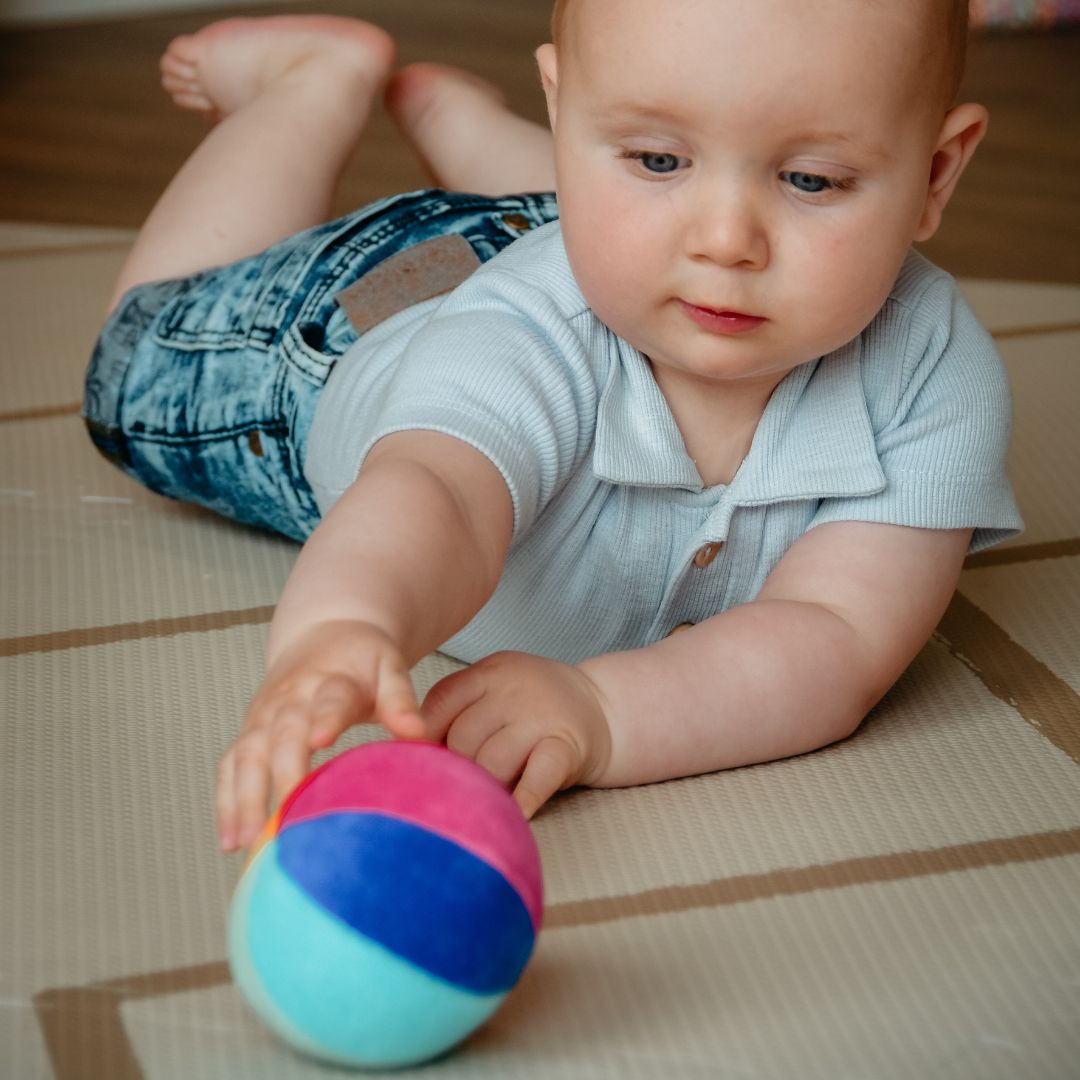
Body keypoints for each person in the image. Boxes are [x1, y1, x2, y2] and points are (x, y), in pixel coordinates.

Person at [83, 0, 1022, 853]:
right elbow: (439, 492)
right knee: (130, 366)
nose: (728, 239)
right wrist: (343, 625)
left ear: (937, 172)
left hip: (594, 244)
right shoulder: (524, 336)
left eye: (811, 180)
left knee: (626, 226)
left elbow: (837, 634)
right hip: (346, 323)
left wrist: (601, 708)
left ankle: (480, 133)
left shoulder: (932, 369)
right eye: (658, 157)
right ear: (565, 111)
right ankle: (306, 90)